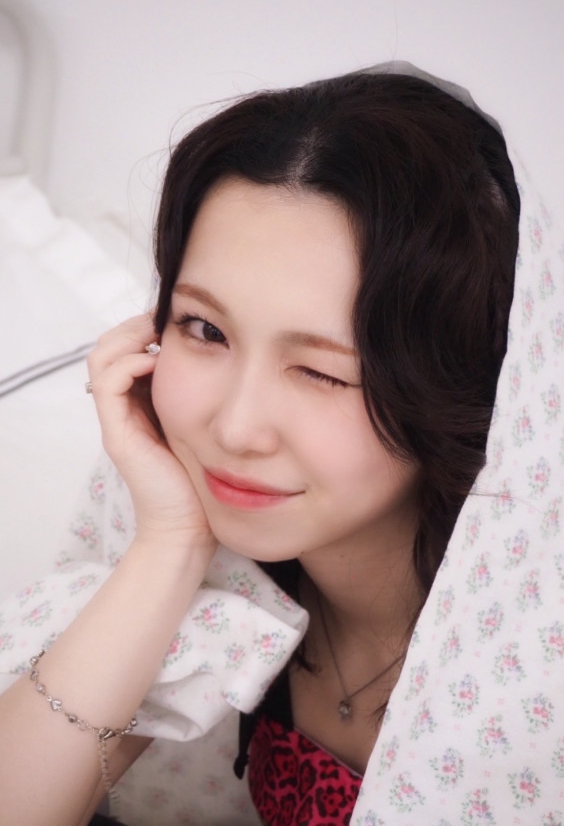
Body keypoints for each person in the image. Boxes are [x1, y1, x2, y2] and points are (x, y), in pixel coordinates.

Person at [0, 63, 562, 826]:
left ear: (461, 381)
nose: (235, 429)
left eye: (322, 372)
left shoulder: (534, 678)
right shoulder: (236, 588)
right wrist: (168, 543)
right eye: (205, 329)